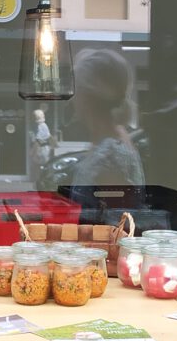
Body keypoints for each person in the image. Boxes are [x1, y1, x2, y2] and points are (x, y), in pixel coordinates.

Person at [68, 48, 145, 222]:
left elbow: (114, 226)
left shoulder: (111, 155)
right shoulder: (108, 142)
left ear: (88, 97)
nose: (73, 99)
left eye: (76, 90)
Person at [29, 107, 52, 183]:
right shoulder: (39, 126)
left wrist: (33, 152)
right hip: (41, 148)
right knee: (38, 165)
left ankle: (40, 180)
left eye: (33, 116)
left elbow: (38, 141)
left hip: (42, 149)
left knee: (39, 165)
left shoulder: (42, 126)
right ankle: (38, 180)